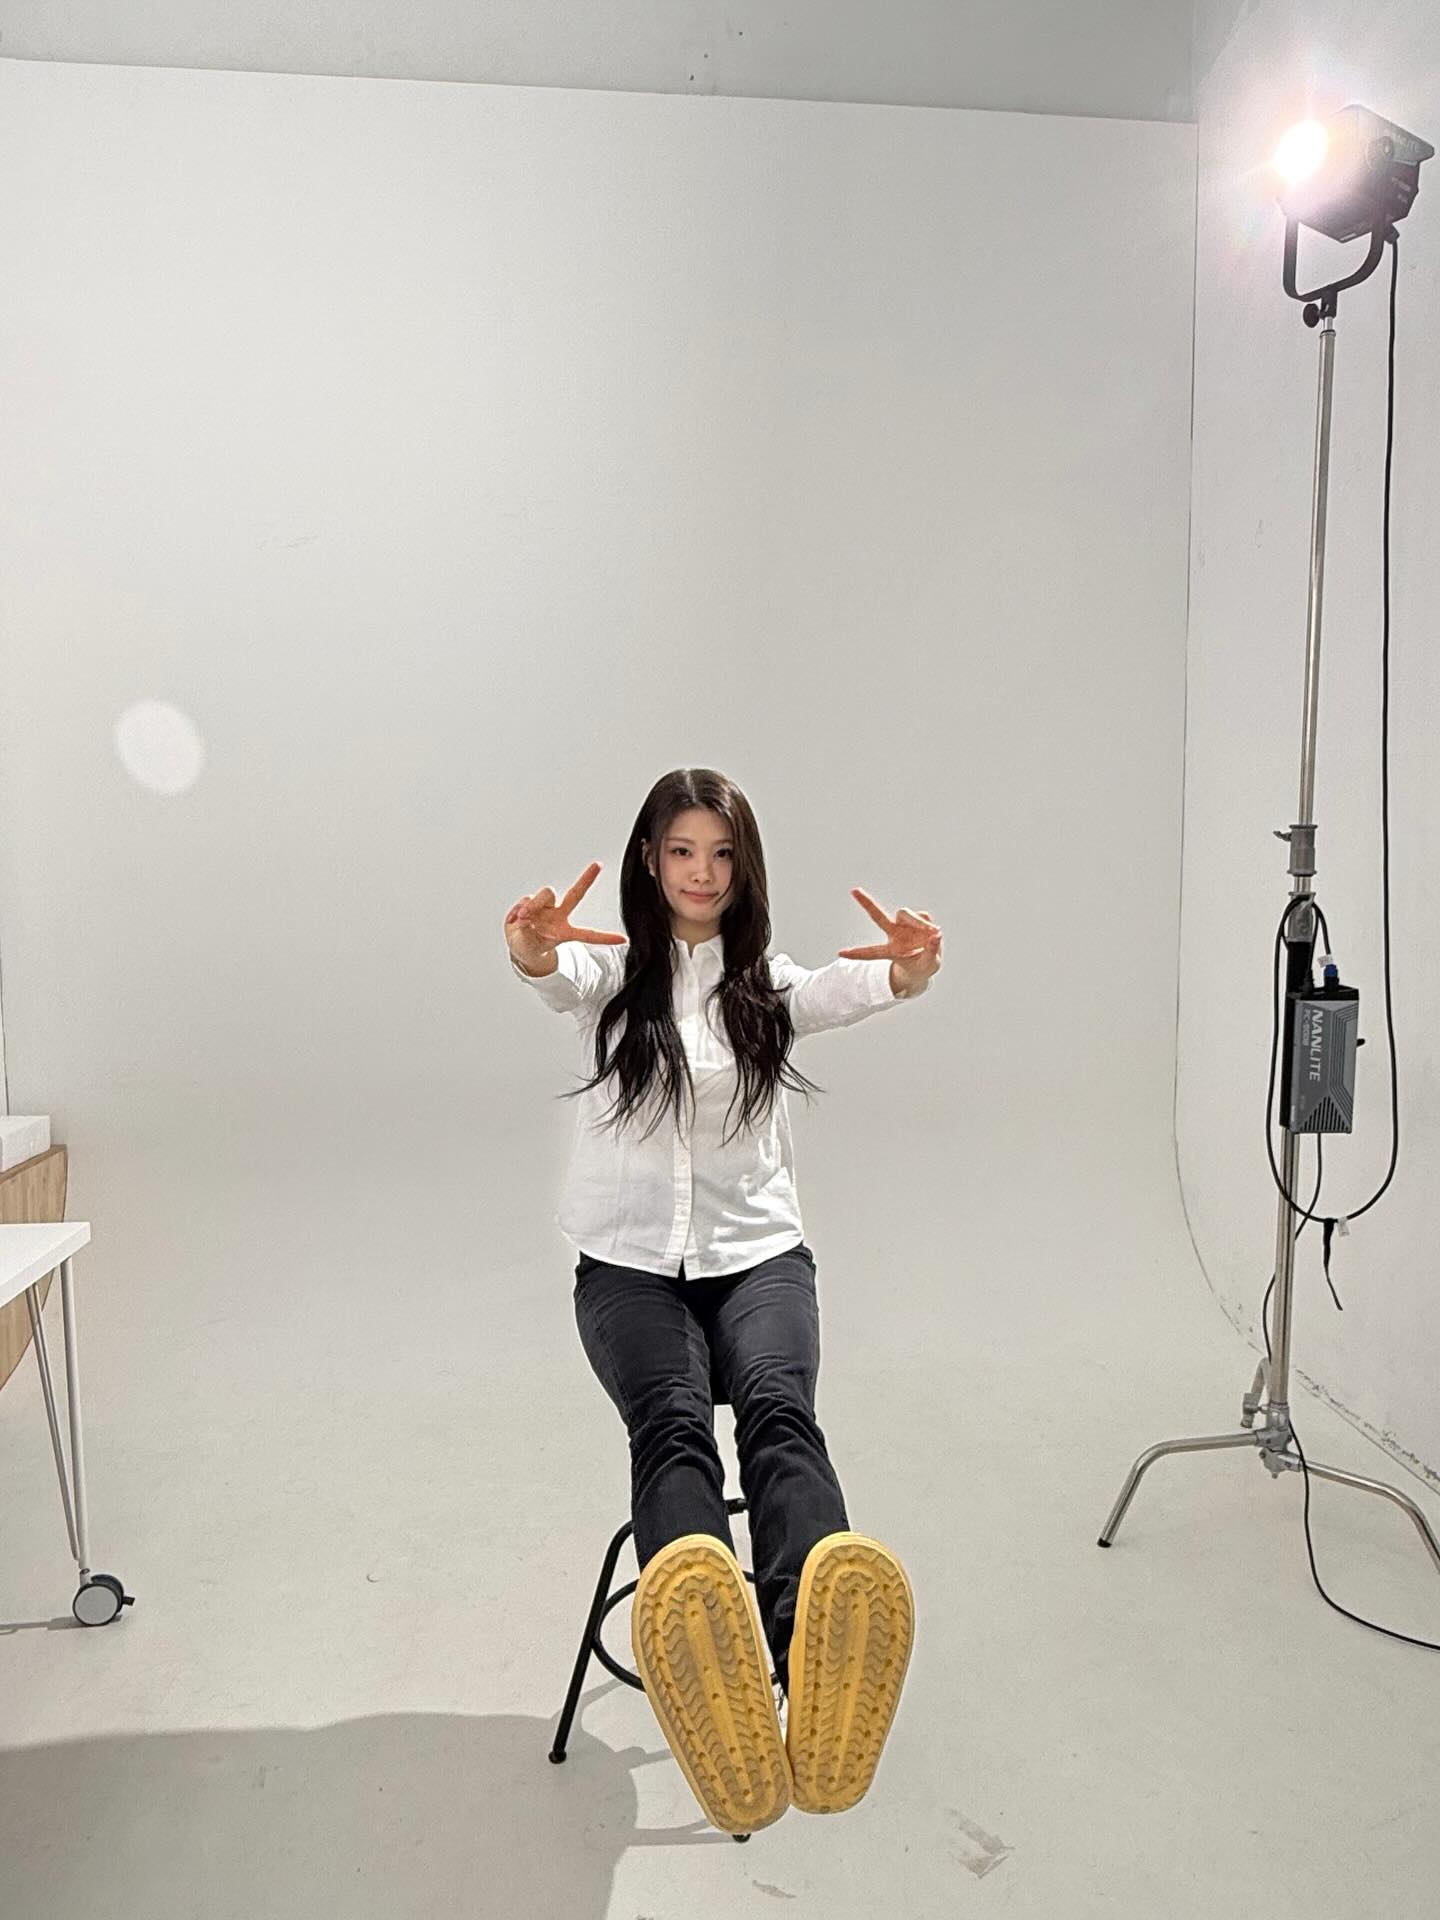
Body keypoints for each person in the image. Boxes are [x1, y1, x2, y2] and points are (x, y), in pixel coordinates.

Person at [505, 767, 941, 1835]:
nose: (702, 873)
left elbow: (849, 989)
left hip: (758, 1262)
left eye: (722, 854)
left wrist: (909, 970)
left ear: (745, 869)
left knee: (782, 1417)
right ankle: (711, 1662)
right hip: (628, 1270)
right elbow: (553, 972)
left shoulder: (768, 988)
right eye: (682, 851)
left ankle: (815, 1671)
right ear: (650, 861)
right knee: (673, 1429)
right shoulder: (612, 980)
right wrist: (531, 948)